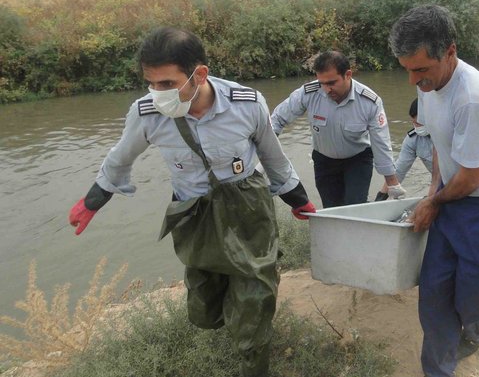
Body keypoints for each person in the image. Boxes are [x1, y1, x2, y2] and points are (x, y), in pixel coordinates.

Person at [68, 27, 316, 377]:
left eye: (167, 84)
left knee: (255, 297)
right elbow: (120, 159)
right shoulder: (146, 114)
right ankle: (234, 314)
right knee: (204, 307)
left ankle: (253, 354)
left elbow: (273, 157)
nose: (157, 93)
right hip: (193, 213)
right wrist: (92, 201)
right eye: (151, 83)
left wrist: (298, 199)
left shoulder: (246, 103)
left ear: (199, 74)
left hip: (247, 209)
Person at [389, 5, 479, 377]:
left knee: (472, 304)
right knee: (434, 296)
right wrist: (434, 191)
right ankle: (438, 369)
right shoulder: (431, 88)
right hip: (452, 202)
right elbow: (440, 145)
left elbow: (472, 178)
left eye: (421, 69)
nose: (414, 81)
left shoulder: (474, 98)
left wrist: (434, 201)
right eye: (407, 70)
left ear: (450, 51)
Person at [270, 50, 404, 208]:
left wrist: (392, 182)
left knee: (356, 207)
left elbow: (381, 143)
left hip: (357, 160)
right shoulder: (309, 93)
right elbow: (278, 118)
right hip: (324, 161)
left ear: (348, 75)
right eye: (322, 83)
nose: (326, 89)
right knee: (332, 210)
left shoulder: (370, 102)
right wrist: (266, 146)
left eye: (332, 83)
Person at [375, 98, 433, 201]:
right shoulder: (413, 139)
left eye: (419, 124)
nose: (416, 127)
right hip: (439, 184)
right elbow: (399, 170)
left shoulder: (451, 135)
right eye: (414, 123)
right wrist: (381, 196)